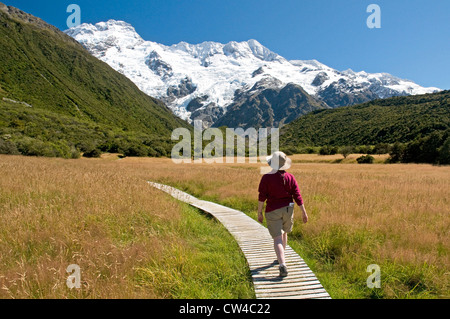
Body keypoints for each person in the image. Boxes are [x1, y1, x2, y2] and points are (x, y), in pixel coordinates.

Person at [257, 151, 308, 277]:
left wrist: (259, 212)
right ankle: (282, 257)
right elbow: (297, 196)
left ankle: (282, 264)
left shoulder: (266, 178)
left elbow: (262, 197)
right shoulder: (290, 177)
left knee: (277, 238)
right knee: (284, 233)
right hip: (288, 210)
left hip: (273, 210)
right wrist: (304, 212)